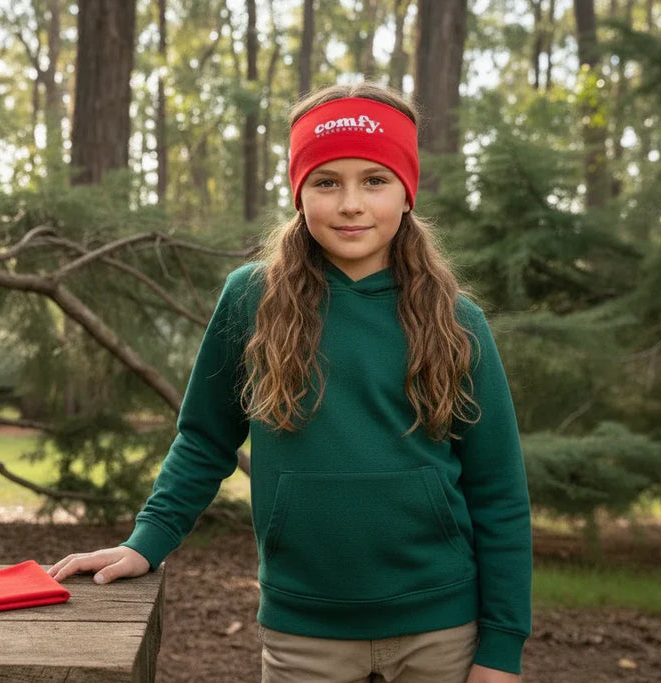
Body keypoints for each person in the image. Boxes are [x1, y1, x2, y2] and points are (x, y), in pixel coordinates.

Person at [50, 82, 532, 683]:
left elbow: (499, 494)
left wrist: (502, 648)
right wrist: (148, 540)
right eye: (327, 181)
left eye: (374, 180)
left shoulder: (458, 322)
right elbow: (204, 438)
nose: (351, 203)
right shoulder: (253, 299)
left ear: (407, 193)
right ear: (299, 191)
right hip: (305, 631)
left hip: (441, 629)